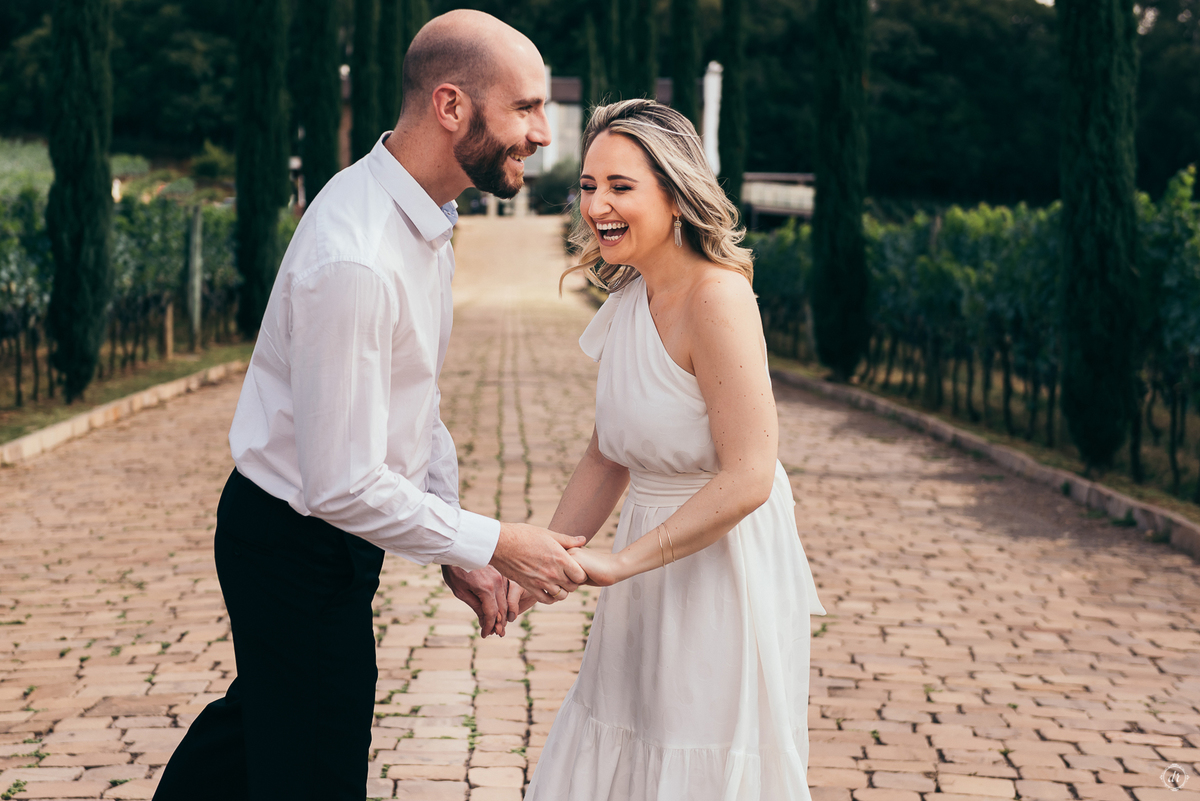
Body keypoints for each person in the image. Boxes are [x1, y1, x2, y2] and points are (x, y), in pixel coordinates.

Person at [153, 11, 587, 801]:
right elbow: (343, 483)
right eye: (526, 107)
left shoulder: (421, 218)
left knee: (254, 737)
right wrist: (496, 540)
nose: (544, 133)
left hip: (325, 540)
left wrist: (458, 544)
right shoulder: (356, 257)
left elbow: (413, 402)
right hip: (294, 545)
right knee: (313, 762)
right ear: (451, 105)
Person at [522, 99, 826, 800]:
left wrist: (620, 562)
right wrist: (535, 569)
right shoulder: (628, 298)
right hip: (643, 563)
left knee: (696, 753)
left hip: (720, 564)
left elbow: (749, 475)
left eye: (620, 186)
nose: (597, 205)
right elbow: (607, 455)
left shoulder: (718, 298)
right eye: (589, 186)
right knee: (626, 734)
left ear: (676, 194)